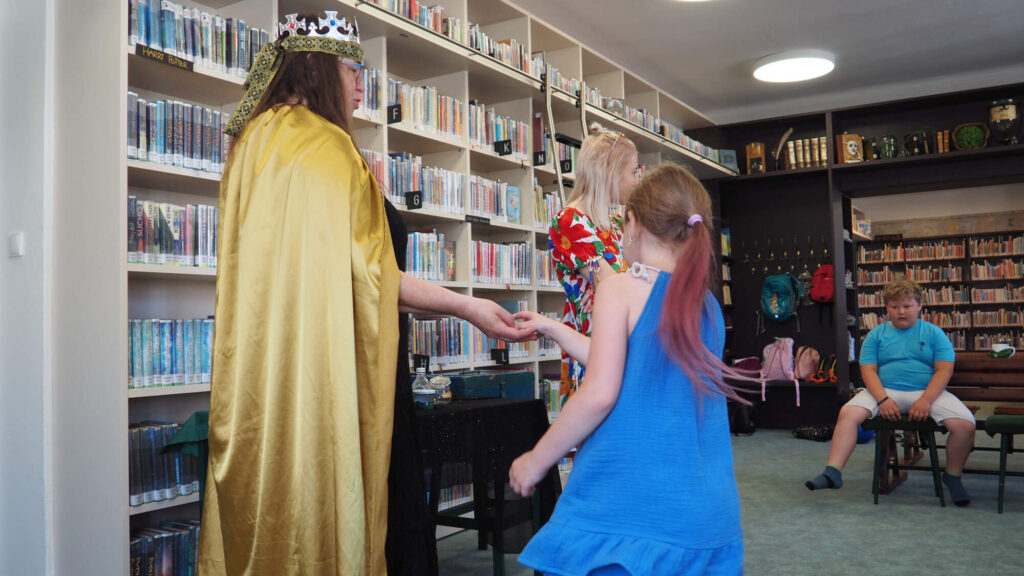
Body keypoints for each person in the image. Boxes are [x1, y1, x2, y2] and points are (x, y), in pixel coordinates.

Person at [198, 12, 527, 575]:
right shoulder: (325, 148)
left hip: (267, 376)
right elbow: (371, 279)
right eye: (353, 71)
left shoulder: (255, 141)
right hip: (334, 376)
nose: (359, 87)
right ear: (317, 65)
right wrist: (467, 306)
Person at [510, 163, 753, 576]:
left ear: (632, 223)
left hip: (631, 509)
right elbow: (634, 362)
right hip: (706, 513)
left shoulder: (619, 288)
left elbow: (601, 392)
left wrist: (537, 459)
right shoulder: (708, 306)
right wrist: (555, 329)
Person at [805, 278, 975, 506]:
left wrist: (926, 400)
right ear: (886, 308)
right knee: (848, 413)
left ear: (919, 305)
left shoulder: (934, 333)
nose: (901, 311)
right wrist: (882, 399)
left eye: (907, 306)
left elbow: (944, 370)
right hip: (883, 390)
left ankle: (952, 476)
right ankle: (833, 472)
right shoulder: (876, 335)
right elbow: (868, 370)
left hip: (926, 392)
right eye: (894, 306)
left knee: (965, 425)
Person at [549, 124, 641, 402]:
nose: (637, 180)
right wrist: (616, 284)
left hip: (627, 341)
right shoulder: (569, 221)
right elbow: (621, 286)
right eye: (633, 172)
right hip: (595, 348)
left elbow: (636, 280)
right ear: (610, 173)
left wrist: (611, 286)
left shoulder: (615, 223)